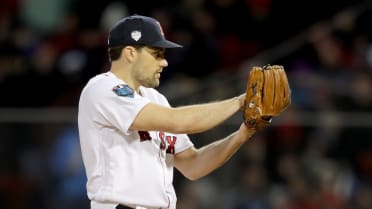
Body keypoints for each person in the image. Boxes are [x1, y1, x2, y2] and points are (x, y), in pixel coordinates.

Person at [78, 14, 258, 209]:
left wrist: (241, 135)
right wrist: (240, 101)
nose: (164, 62)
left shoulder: (155, 99)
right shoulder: (103, 89)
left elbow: (193, 165)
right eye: (157, 54)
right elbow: (179, 121)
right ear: (130, 53)